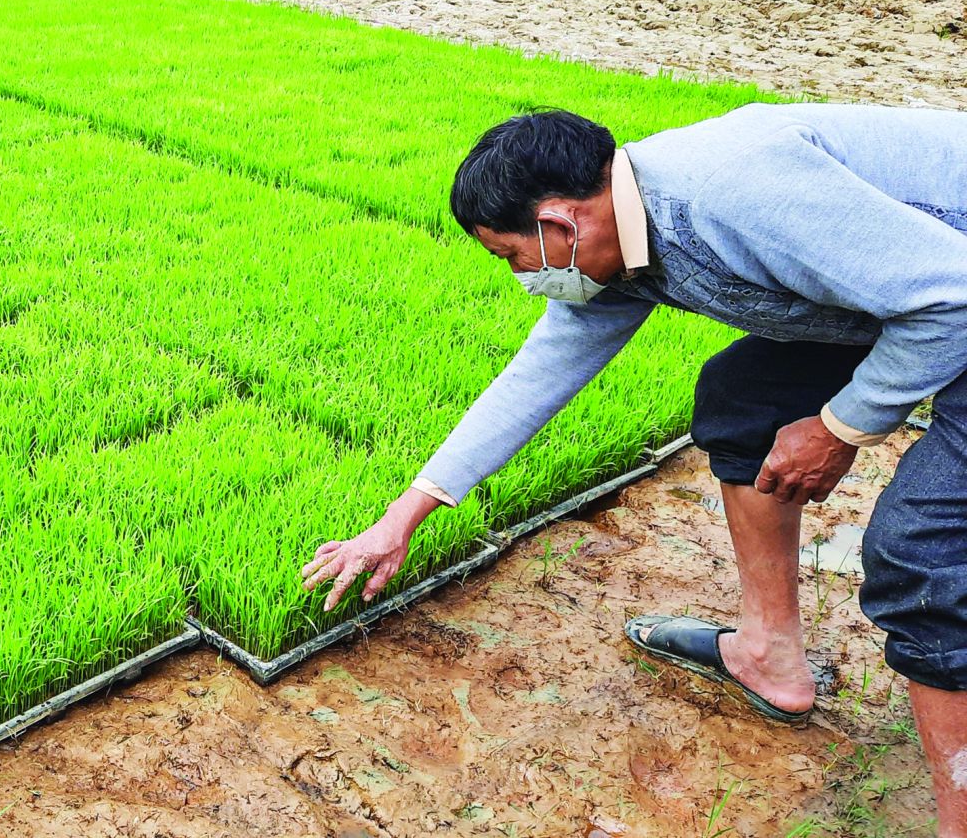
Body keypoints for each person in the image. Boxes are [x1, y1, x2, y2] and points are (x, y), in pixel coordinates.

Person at [299, 101, 967, 831]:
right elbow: (534, 378)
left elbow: (948, 300)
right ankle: (768, 657)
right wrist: (401, 519)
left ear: (557, 227)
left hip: (950, 295)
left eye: (510, 256)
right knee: (743, 404)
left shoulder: (731, 195)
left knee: (920, 550)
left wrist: (841, 425)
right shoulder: (617, 247)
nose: (519, 276)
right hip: (915, 291)